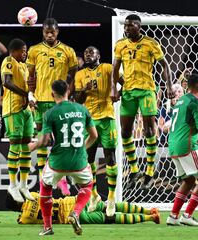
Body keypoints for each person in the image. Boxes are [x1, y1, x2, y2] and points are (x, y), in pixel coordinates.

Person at [111, 14, 174, 189]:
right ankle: (133, 169)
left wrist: (168, 86)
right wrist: (113, 88)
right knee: (125, 132)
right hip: (129, 92)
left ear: (138, 26)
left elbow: (165, 65)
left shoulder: (151, 43)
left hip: (147, 91)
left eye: (130, 25)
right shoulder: (120, 45)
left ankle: (150, 171)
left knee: (148, 131)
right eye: (125, 25)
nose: (126, 28)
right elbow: (115, 69)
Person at [28, 80, 98, 236]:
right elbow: (94, 136)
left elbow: (45, 141)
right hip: (79, 162)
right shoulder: (82, 109)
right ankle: (76, 212)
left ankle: (47, 227)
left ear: (53, 94)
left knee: (45, 187)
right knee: (87, 185)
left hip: (57, 162)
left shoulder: (50, 113)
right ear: (68, 91)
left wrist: (32, 147)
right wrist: (81, 148)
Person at [26, 18, 78, 194]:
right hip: (40, 100)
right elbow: (30, 77)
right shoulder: (34, 51)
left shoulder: (68, 51)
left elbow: (73, 73)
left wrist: (66, 90)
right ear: (42, 32)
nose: (49, 34)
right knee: (42, 139)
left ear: (57, 32)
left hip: (58, 101)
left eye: (52, 31)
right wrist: (30, 94)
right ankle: (44, 178)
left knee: (60, 139)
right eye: (46, 32)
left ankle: (62, 178)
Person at [74, 46, 118, 216]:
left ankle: (112, 199)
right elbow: (77, 99)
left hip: (107, 118)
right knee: (88, 159)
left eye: (91, 53)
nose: (88, 55)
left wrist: (117, 92)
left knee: (110, 158)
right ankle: (94, 195)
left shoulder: (107, 68)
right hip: (89, 121)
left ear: (99, 55)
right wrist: (84, 89)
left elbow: (123, 80)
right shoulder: (79, 74)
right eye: (85, 53)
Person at [166, 74, 198, 227]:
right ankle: (187, 215)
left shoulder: (180, 101)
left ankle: (173, 216)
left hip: (173, 145)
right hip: (187, 145)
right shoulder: (194, 100)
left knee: (189, 180)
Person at [1, 38, 34, 203]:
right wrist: (25, 94)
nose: (25, 53)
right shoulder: (9, 61)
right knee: (15, 145)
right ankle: (12, 185)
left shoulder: (24, 65)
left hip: (26, 109)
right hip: (12, 108)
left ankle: (23, 185)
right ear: (14, 51)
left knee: (26, 146)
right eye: (23, 50)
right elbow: (6, 82)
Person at [12, 192, 160, 225]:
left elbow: (22, 220)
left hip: (75, 217)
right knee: (110, 206)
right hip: (76, 202)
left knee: (111, 218)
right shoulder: (32, 195)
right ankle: (149, 211)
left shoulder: (24, 219)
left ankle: (150, 218)